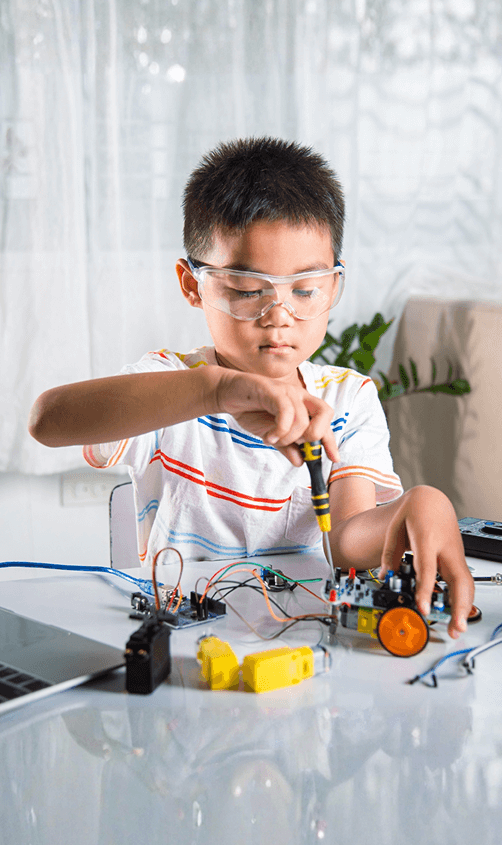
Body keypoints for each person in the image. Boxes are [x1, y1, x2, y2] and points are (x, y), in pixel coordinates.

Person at [29, 137, 474, 638]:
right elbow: (47, 420)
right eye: (247, 292)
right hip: (187, 638)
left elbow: (348, 539)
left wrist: (418, 504)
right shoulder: (173, 387)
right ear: (193, 285)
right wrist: (217, 392)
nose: (279, 316)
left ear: (332, 286)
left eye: (305, 290)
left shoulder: (347, 399)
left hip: (304, 638)